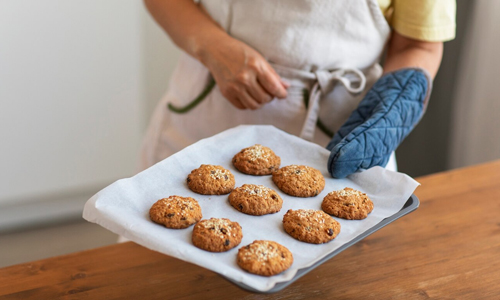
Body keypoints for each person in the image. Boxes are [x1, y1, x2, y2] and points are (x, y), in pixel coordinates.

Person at [140, 0, 456, 177]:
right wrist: (210, 45)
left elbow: (420, 45)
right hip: (204, 118)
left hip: (340, 137)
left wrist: (393, 110)